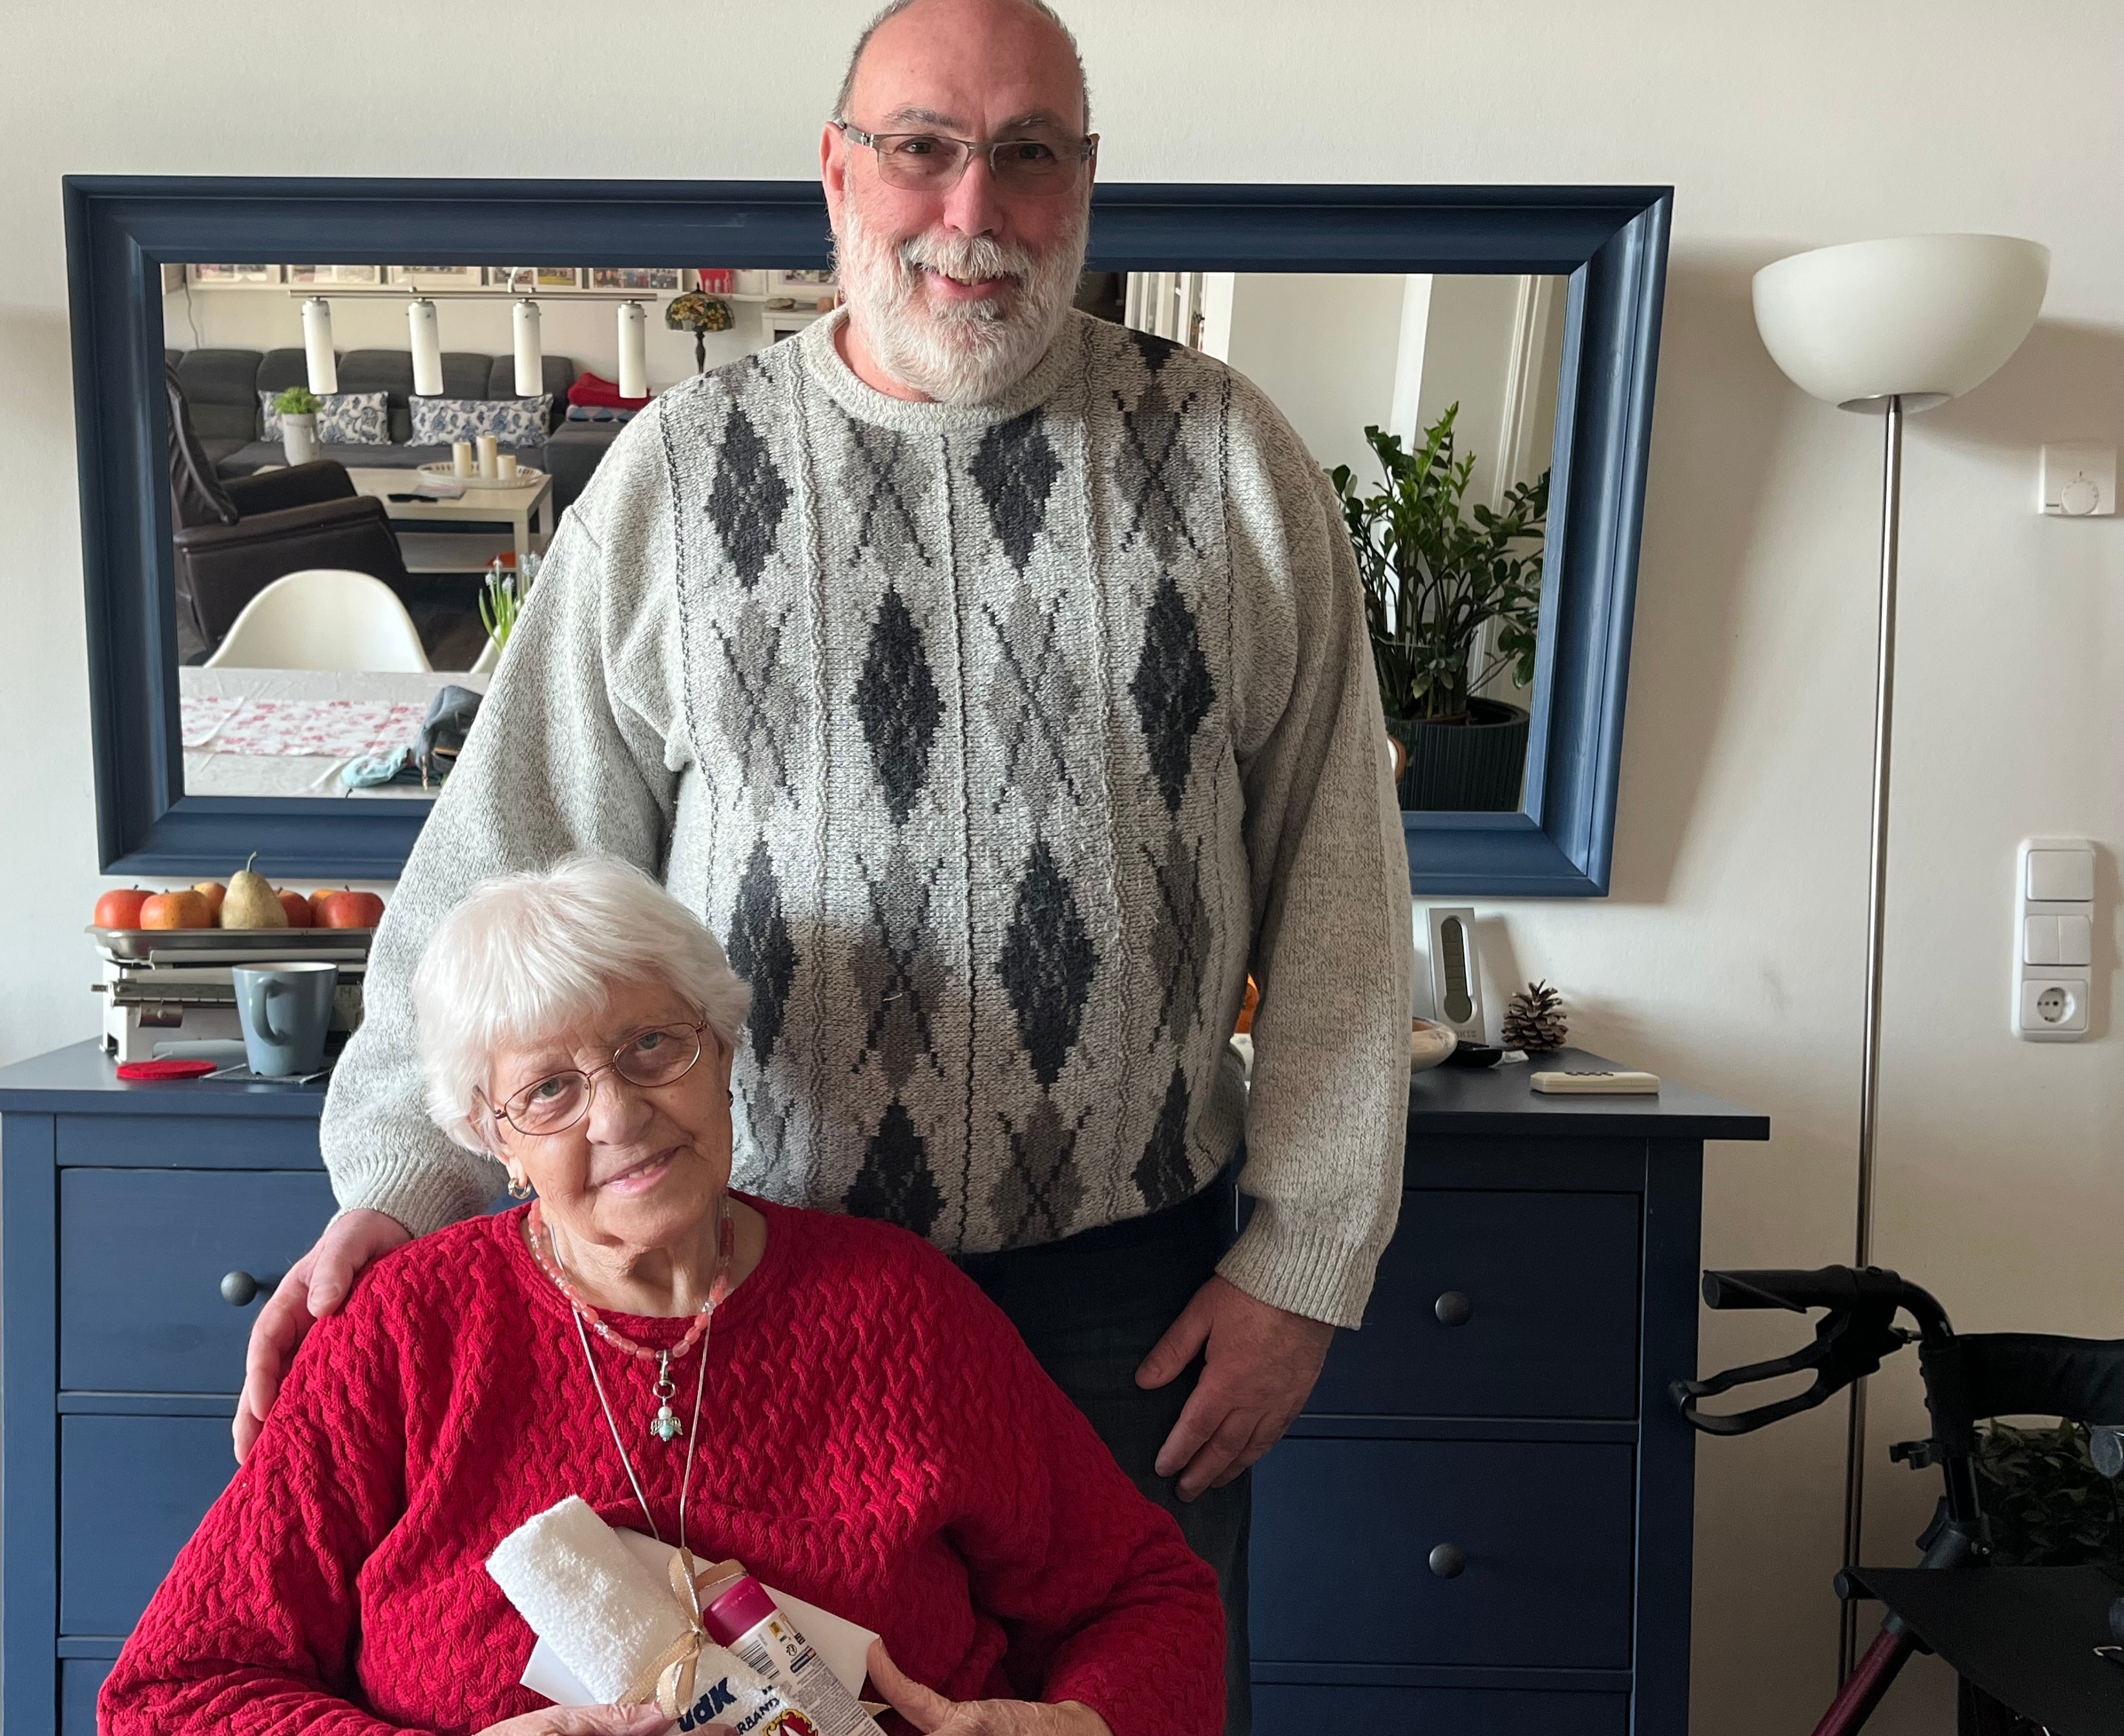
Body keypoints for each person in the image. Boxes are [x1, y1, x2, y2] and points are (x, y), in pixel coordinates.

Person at [242, 1, 1413, 1727]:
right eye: (924, 147)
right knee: (772, 1707)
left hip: (1122, 1292)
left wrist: (1302, 1263)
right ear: (840, 173)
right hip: (762, 1299)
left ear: (1085, 182)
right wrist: (396, 1188)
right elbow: (512, 849)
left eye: (1029, 155)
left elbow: (1340, 893)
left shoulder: (1233, 459)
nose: (974, 208)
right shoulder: (676, 473)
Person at [103, 858, 1225, 1736]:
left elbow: (1153, 1603)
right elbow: (173, 1690)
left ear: (722, 1050)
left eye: (652, 1045)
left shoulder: (902, 1312)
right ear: (494, 1140)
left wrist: (1079, 1725)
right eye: (549, 1089)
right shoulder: (406, 1332)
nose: (619, 1115)